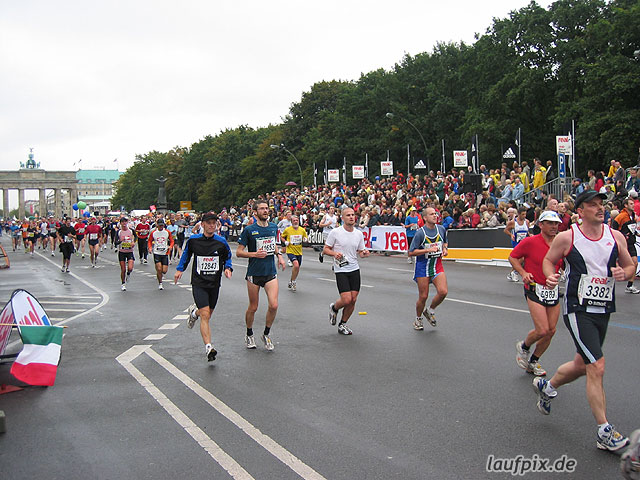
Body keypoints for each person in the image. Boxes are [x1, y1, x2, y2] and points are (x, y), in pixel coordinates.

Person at [534, 190, 636, 451]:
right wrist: (550, 276)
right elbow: (549, 261)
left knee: (582, 364)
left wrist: (624, 273)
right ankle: (604, 430)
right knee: (597, 365)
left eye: (602, 204)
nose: (600, 209)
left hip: (604, 308)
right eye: (593, 205)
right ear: (580, 211)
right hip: (577, 309)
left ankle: (548, 387)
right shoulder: (568, 238)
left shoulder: (615, 236)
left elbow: (630, 265)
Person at [510, 210, 563, 376]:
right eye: (550, 223)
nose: (554, 226)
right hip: (534, 288)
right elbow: (513, 257)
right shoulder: (530, 242)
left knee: (551, 330)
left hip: (552, 290)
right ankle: (524, 346)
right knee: (542, 330)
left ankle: (533, 362)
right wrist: (523, 273)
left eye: (556, 224)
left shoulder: (561, 243)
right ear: (541, 225)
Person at [175, 212, 232, 362]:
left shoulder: (221, 242)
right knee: (205, 314)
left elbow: (228, 257)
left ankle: (194, 313)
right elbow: (186, 255)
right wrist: (180, 269)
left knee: (208, 313)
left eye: (214, 223)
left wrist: (228, 268)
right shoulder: (194, 240)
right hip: (199, 282)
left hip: (214, 283)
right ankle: (208, 347)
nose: (212, 225)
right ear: (203, 224)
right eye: (209, 223)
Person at [236, 201, 286, 350]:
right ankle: (249, 333)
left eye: (267, 208)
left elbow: (274, 244)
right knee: (253, 307)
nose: (265, 211)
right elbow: (239, 252)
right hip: (254, 273)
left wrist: (280, 256)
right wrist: (254, 254)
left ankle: (266, 334)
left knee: (274, 305)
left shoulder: (273, 227)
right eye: (262, 209)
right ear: (255, 212)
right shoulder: (249, 230)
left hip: (270, 272)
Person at [324, 207, 370, 335]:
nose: (351, 217)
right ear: (342, 218)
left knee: (353, 299)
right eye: (348, 215)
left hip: (354, 268)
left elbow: (361, 252)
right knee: (346, 300)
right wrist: (334, 253)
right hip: (341, 269)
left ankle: (342, 324)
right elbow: (325, 249)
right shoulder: (336, 232)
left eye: (353, 215)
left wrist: (364, 253)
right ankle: (334, 307)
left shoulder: (358, 234)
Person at [408, 207, 448, 330]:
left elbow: (445, 242)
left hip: (437, 265)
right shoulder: (420, 233)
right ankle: (418, 319)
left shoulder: (441, 229)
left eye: (436, 214)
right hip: (422, 267)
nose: (435, 216)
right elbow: (411, 252)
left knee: (443, 292)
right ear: (425, 218)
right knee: (423, 296)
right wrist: (427, 250)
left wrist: (445, 249)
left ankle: (430, 310)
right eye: (432, 214)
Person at [613, 197, 640, 294]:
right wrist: (621, 236)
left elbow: (632, 229)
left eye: (633, 203)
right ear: (626, 205)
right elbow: (614, 227)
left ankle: (630, 285)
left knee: (635, 263)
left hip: (631, 243)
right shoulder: (621, 216)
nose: (633, 205)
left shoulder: (632, 216)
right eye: (631, 204)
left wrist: (636, 233)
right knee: (613, 264)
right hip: (623, 244)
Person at [281, 214, 308, 292]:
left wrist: (305, 239)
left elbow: (305, 237)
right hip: (290, 250)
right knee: (295, 265)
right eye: (294, 221)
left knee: (297, 267)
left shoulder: (302, 230)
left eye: (297, 220)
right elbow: (282, 236)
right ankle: (293, 282)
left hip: (299, 251)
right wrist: (285, 241)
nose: (295, 222)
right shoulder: (288, 229)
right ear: (291, 222)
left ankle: (291, 280)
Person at [504, 207, 530, 282]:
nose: (524, 216)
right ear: (518, 214)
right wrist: (511, 235)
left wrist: (529, 234)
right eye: (523, 214)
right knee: (521, 258)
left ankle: (512, 273)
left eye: (525, 214)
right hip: (516, 242)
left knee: (523, 258)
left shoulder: (527, 222)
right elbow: (505, 230)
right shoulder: (513, 222)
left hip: (524, 242)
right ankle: (514, 272)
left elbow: (527, 231)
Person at [149, 218, 174, 290]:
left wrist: (170, 246)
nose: (161, 227)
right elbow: (150, 241)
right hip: (157, 252)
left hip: (165, 252)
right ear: (157, 225)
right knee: (159, 269)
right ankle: (160, 283)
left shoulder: (167, 232)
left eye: (162, 225)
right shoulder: (153, 232)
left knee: (164, 271)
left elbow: (171, 240)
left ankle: (159, 275)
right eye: (159, 226)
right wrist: (150, 248)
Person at [116, 217, 136, 291]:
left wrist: (133, 242)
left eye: (125, 222)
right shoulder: (119, 232)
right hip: (122, 252)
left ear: (127, 223)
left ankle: (128, 273)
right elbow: (115, 242)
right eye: (122, 222)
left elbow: (135, 237)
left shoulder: (131, 231)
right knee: (123, 269)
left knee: (130, 268)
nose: (124, 223)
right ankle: (123, 283)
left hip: (129, 251)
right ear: (120, 223)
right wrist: (120, 241)